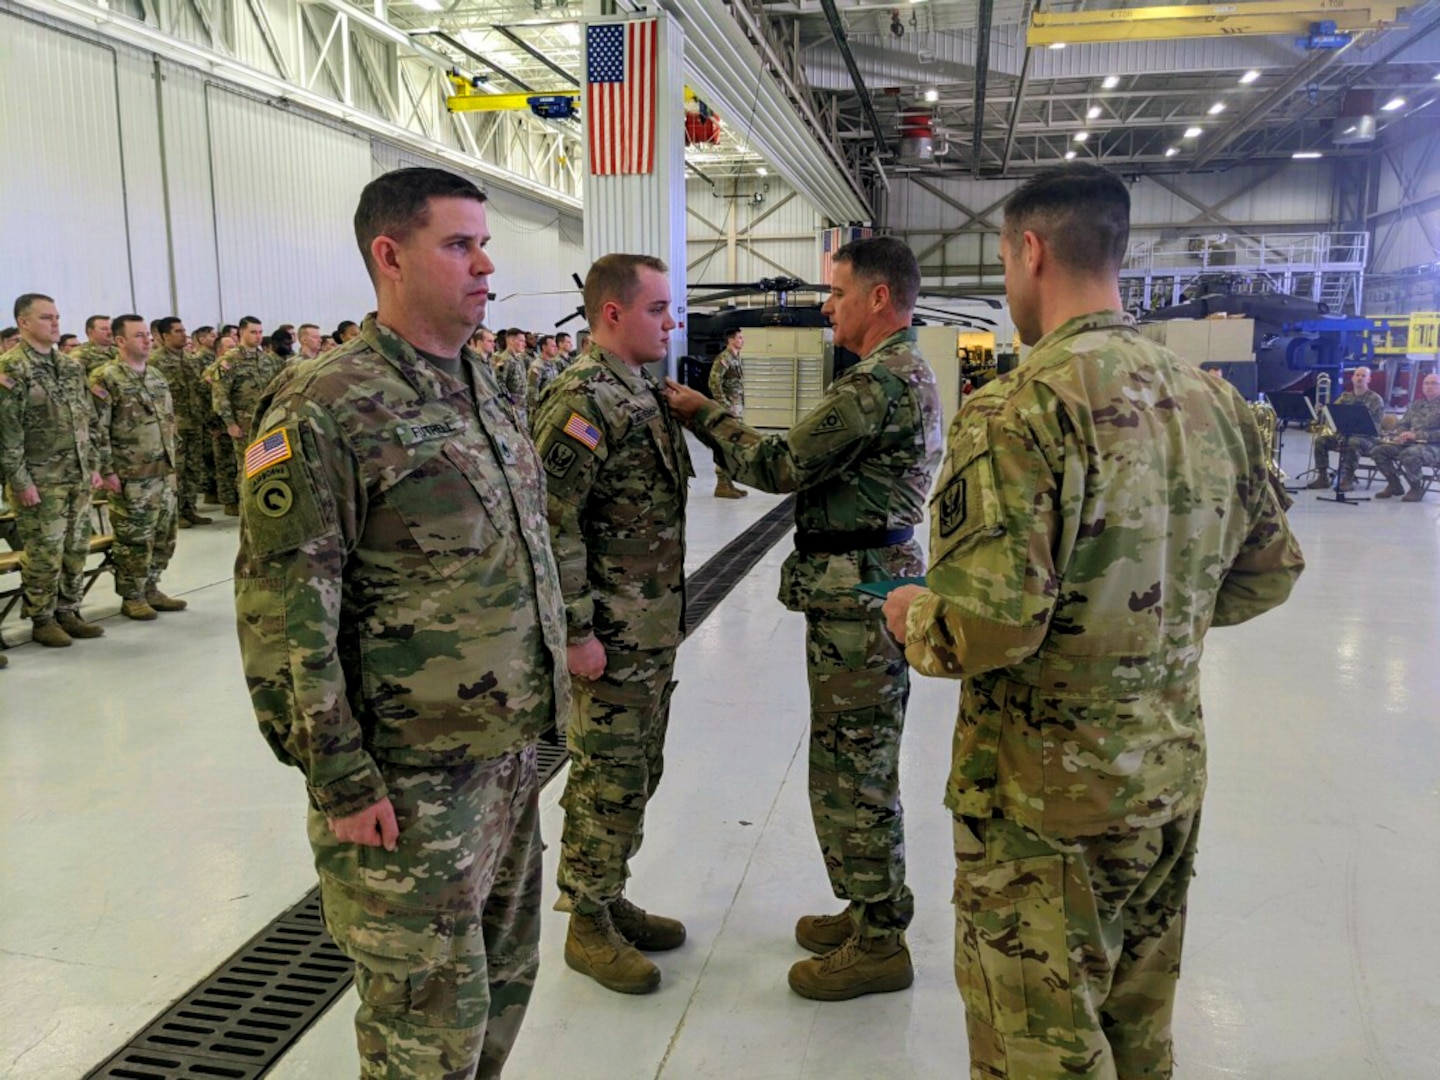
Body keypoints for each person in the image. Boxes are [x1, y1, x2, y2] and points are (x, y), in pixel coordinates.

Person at [881, 164, 1305, 1078]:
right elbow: (1269, 573)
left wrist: (910, 615)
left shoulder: (1017, 410)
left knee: (1036, 1050)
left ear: (1029, 251)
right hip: (1166, 781)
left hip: (1044, 811)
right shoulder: (1216, 402)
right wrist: (1148, 622)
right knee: (1139, 1036)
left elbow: (990, 629)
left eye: (1003, 259)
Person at [234, 167, 569, 1079]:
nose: (486, 265)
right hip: (408, 787)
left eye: (483, 243)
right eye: (460, 245)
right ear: (390, 255)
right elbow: (285, 615)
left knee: (499, 995)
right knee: (424, 1031)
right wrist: (341, 780)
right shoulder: (323, 405)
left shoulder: (485, 385)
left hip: (505, 759)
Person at [665, 235, 943, 1002]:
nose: (829, 306)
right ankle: (866, 908)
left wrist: (704, 414)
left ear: (879, 298)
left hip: (860, 598)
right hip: (862, 587)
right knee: (855, 757)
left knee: (855, 768)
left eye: (839, 292)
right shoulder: (898, 373)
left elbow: (780, 467)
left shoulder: (875, 385)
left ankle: (881, 935)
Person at [531, 254, 693, 996]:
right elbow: (551, 521)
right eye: (659, 309)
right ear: (613, 314)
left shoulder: (642, 391)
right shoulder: (583, 399)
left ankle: (606, 890)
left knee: (636, 769)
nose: (673, 321)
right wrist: (574, 632)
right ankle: (586, 923)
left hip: (650, 625)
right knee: (608, 774)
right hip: (613, 632)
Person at [0, 294, 106, 647]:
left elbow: (86, 420)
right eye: (47, 318)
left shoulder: (71, 366)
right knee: (45, 552)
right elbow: (8, 433)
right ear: (24, 322)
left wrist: (92, 465)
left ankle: (68, 610)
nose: (56, 323)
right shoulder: (12, 368)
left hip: (75, 474)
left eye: (57, 316)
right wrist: (19, 482)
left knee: (76, 547)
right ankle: (42, 617)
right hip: (39, 480)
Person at [89, 315, 185, 619]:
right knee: (134, 540)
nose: (147, 340)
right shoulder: (105, 378)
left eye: (148, 335)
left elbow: (169, 422)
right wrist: (106, 470)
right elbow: (96, 429)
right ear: (120, 341)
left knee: (164, 535)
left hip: (163, 472)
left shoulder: (156, 376)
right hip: (130, 476)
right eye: (139, 336)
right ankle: (132, 596)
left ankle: (152, 587)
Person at [212, 316, 287, 514]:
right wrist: (230, 423)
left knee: (268, 464)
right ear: (241, 333)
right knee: (246, 466)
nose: (258, 336)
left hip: (267, 423)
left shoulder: (267, 360)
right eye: (253, 332)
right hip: (244, 424)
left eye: (261, 332)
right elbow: (220, 394)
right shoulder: (229, 361)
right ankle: (246, 508)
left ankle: (263, 506)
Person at [150, 316, 213, 528]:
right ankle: (175, 513)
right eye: (177, 331)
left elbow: (200, 390)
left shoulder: (191, 359)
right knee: (176, 469)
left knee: (193, 468)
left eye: (183, 330)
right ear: (164, 335)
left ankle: (189, 508)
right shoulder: (155, 362)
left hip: (195, 422)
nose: (183, 334)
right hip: (172, 426)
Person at [1306, 365, 1384, 491]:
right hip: (1344, 435)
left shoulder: (1375, 399)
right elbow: (1333, 416)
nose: (1359, 378)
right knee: (1320, 441)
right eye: (1357, 375)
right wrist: (1324, 411)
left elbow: (1375, 426)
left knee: (1353, 442)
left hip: (1367, 439)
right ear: (1352, 378)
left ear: (1369, 379)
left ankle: (1347, 479)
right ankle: (1323, 477)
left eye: (1363, 376)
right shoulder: (1345, 397)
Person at [1369, 371, 1440, 501]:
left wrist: (1416, 435)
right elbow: (1403, 423)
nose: (1429, 386)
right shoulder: (1416, 404)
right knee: (1378, 451)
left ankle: (1416, 488)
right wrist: (1401, 433)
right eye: (1426, 383)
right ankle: (1394, 484)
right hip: (1411, 443)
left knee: (1409, 454)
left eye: (1434, 383)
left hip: (1434, 446)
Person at [706, 327, 747, 498]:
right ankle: (722, 485)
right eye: (739, 337)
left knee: (733, 446)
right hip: (729, 409)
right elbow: (713, 382)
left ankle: (728, 483)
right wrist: (725, 405)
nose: (742, 340)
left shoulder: (735, 357)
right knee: (726, 445)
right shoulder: (724, 357)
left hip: (736, 409)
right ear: (730, 340)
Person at [493, 328, 528, 421]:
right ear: (511, 341)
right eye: (521, 341)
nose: (524, 344)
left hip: (522, 407)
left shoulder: (519, 359)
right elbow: (499, 384)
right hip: (512, 410)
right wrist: (510, 403)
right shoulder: (504, 360)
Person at [525, 334, 563, 413]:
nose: (555, 348)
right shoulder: (537, 366)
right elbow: (532, 392)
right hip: (542, 409)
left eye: (556, 346)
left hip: (553, 406)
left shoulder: (553, 364)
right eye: (552, 346)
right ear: (544, 347)